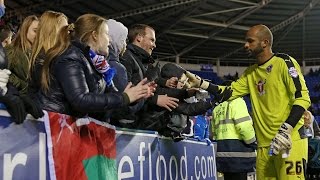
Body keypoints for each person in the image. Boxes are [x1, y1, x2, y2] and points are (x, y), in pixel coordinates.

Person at [184, 24, 310, 179]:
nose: (245, 45)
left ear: (265, 42)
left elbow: (303, 97)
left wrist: (287, 129)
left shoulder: (284, 62)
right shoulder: (250, 73)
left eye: (250, 41)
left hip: (289, 140)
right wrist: (201, 83)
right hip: (264, 146)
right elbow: (228, 92)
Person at [40, 14, 154, 120]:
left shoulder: (100, 65)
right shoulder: (71, 58)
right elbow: (81, 100)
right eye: (106, 34)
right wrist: (124, 98)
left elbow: (111, 101)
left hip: (68, 128)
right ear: (94, 35)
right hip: (52, 127)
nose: (109, 40)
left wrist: (133, 97)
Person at [212, 80, 256, 180]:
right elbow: (244, 127)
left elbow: (213, 134)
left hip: (223, 155)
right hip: (239, 156)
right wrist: (253, 142)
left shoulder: (216, 108)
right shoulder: (238, 102)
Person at [28, 11, 68, 98]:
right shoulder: (41, 59)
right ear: (52, 31)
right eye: (64, 29)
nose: (68, 32)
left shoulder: (57, 54)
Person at [5, 15, 39, 94]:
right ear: (25, 30)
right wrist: (22, 85)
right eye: (35, 31)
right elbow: (2, 73)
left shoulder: (37, 53)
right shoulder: (12, 50)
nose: (38, 35)